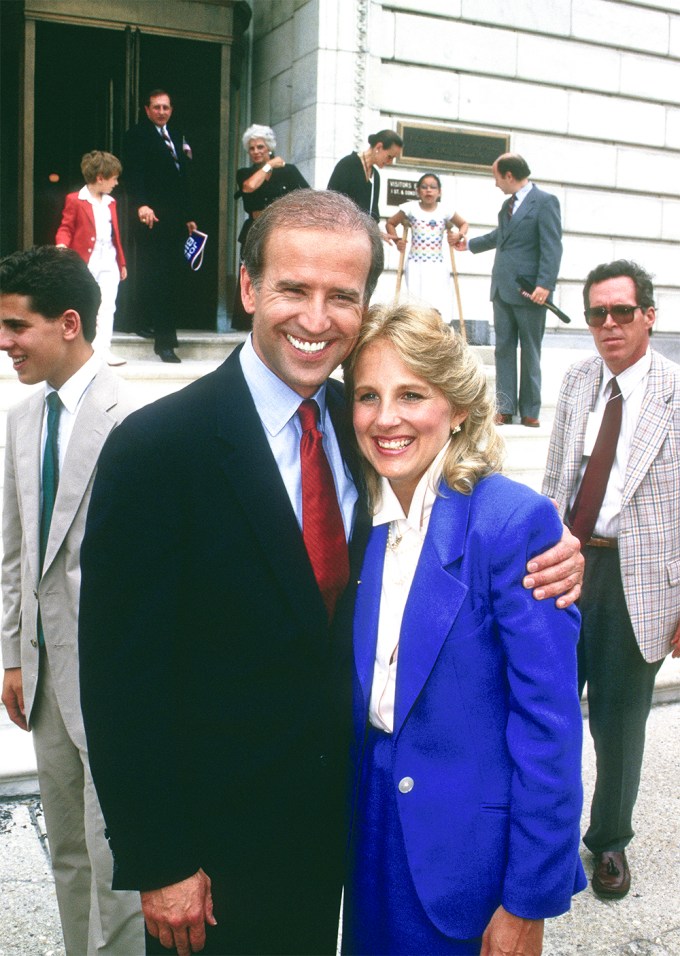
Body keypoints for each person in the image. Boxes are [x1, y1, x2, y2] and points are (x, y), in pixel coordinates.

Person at [77, 190, 582, 956]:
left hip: (350, 840)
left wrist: (558, 549)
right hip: (216, 862)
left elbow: (454, 516)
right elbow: (118, 681)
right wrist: (161, 858)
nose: (316, 319)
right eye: (292, 289)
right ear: (248, 288)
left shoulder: (365, 428)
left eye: (341, 296)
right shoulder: (158, 450)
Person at [341, 304, 586, 955]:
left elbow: (550, 727)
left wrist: (527, 901)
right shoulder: (358, 518)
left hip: (468, 860)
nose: (385, 417)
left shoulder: (510, 524)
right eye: (368, 395)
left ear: (457, 408)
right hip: (370, 839)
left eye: (411, 394)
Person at [0, 246, 144, 956]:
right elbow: (15, 552)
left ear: (68, 323)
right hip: (44, 677)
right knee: (67, 851)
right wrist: (12, 657)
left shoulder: (133, 420)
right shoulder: (22, 420)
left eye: (15, 326)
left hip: (114, 681)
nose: (4, 342)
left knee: (116, 863)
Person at [543, 260, 680, 902]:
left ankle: (610, 841)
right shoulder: (576, 381)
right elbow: (555, 480)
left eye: (621, 312)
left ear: (649, 316)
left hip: (640, 576)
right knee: (549, 707)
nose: (608, 325)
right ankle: (545, 832)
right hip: (570, 565)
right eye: (597, 313)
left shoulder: (675, 393)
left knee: (621, 723)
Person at [456, 153, 562, 427]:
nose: (496, 184)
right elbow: (499, 237)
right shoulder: (507, 206)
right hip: (502, 289)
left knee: (530, 349)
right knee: (504, 349)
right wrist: (468, 245)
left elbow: (552, 246)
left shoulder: (546, 202)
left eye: (496, 177)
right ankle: (504, 408)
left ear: (509, 176)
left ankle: (530, 411)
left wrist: (545, 285)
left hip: (530, 291)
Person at [123, 88, 196, 363]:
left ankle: (147, 324)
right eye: (156, 107)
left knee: (169, 278)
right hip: (151, 218)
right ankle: (165, 343)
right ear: (146, 109)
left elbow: (183, 178)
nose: (162, 112)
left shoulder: (176, 135)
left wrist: (189, 215)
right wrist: (141, 204)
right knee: (158, 276)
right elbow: (134, 174)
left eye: (166, 107)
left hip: (176, 219)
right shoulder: (137, 136)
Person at [232, 123, 309, 330]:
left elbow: (307, 197)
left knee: (278, 273)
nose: (256, 152)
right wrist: (269, 165)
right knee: (250, 272)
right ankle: (245, 322)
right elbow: (249, 188)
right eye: (252, 148)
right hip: (254, 229)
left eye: (260, 147)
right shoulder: (244, 173)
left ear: (269, 148)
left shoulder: (289, 171)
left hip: (279, 229)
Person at [56, 149, 128, 367]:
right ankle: (81, 351)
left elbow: (115, 235)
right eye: (113, 178)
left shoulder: (111, 202)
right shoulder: (76, 200)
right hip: (85, 261)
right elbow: (66, 227)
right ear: (100, 178)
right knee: (83, 305)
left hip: (109, 260)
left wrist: (121, 262)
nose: (116, 182)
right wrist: (61, 244)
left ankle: (103, 349)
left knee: (108, 305)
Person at [386, 172, 468, 325]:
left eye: (433, 187)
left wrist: (458, 235)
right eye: (424, 187)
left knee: (436, 301)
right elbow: (390, 223)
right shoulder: (410, 208)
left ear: (439, 192)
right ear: (418, 191)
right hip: (416, 264)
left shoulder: (445, 210)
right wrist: (397, 240)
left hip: (437, 265)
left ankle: (436, 331)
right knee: (416, 302)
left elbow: (464, 224)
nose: (428, 190)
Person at [327, 129, 403, 232]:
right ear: (379, 147)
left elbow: (373, 214)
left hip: (363, 238)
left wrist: (378, 234)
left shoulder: (375, 176)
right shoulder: (347, 164)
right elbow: (331, 202)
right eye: (389, 156)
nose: (390, 162)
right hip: (342, 233)